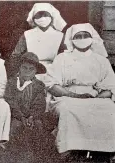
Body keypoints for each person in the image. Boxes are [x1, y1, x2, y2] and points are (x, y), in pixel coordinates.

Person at [48, 23, 115, 155]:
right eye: (78, 36)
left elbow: (111, 86)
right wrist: (75, 95)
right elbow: (53, 85)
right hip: (67, 96)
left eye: (86, 35)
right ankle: (70, 148)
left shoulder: (101, 60)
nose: (82, 39)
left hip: (95, 96)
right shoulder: (62, 58)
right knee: (67, 108)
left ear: (92, 38)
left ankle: (104, 150)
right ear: (72, 39)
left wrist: (96, 97)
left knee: (109, 108)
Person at [4, 52, 58, 162]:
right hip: (16, 115)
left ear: (35, 72)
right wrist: (21, 117)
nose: (27, 71)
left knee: (38, 126)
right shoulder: (12, 82)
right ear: (19, 68)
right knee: (15, 126)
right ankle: (12, 154)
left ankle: (37, 156)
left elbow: (40, 104)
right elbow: (10, 101)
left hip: (33, 116)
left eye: (31, 69)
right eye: (24, 68)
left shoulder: (39, 85)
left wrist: (32, 116)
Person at [6, 3, 67, 79]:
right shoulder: (27, 34)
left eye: (45, 15)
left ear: (51, 17)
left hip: (54, 71)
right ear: (33, 18)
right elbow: (16, 56)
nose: (42, 18)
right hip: (30, 70)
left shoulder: (59, 36)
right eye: (39, 15)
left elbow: (65, 57)